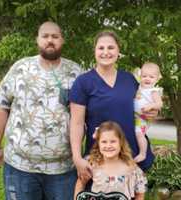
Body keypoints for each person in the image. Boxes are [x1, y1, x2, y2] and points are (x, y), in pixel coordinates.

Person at [0, 21, 82, 200]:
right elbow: (2, 106)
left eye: (55, 36)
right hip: (20, 167)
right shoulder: (20, 68)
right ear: (37, 40)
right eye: (45, 36)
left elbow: (87, 112)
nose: (50, 40)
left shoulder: (76, 72)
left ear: (62, 40)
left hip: (63, 170)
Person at [69, 31, 158, 183]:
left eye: (111, 47)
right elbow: (77, 124)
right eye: (101, 48)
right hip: (100, 159)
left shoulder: (129, 79)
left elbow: (144, 105)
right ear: (95, 51)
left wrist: (153, 111)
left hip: (132, 157)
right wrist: (77, 158)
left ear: (118, 51)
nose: (105, 52)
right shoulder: (83, 82)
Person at [74, 121, 147, 200]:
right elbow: (80, 183)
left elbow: (140, 195)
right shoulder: (92, 164)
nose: (108, 146)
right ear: (98, 144)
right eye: (104, 142)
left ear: (121, 142)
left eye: (113, 141)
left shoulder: (131, 168)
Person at [134, 62, 163, 163]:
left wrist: (151, 106)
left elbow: (159, 104)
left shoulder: (153, 91)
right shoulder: (139, 88)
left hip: (143, 118)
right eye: (144, 76)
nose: (147, 79)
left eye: (151, 77)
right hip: (136, 116)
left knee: (139, 133)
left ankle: (143, 153)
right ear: (140, 76)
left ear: (157, 78)